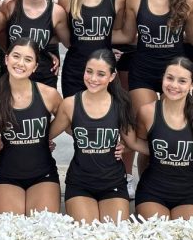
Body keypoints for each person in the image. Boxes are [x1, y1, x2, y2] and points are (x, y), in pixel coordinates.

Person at [49, 49, 136, 223]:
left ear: (112, 76)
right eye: (89, 71)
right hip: (81, 184)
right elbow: (47, 134)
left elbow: (132, 141)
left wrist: (124, 147)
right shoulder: (70, 104)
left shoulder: (121, 104)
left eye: (101, 74)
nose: (93, 78)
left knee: (113, 237)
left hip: (114, 183)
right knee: (87, 235)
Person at [0, 38, 63, 215]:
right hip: (7, 176)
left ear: (35, 66)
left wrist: (115, 145)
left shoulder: (49, 95)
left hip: (44, 175)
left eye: (28, 59)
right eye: (16, 56)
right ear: (6, 59)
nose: (20, 63)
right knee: (10, 233)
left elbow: (74, 125)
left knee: (42, 232)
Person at [120, 0, 193, 115]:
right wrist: (90, 39)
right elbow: (127, 35)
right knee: (144, 122)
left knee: (168, 123)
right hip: (143, 70)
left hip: (175, 71)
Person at [124, 57, 193, 220]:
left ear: (192, 85)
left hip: (188, 192)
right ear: (162, 78)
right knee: (159, 233)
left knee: (182, 236)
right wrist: (126, 145)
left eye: (182, 81)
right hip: (152, 191)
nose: (174, 85)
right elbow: (142, 143)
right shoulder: (147, 112)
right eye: (169, 78)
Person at [59, 0, 125, 98]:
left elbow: (115, 32)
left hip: (104, 71)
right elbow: (67, 39)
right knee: (75, 117)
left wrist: (105, 45)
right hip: (74, 70)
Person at [0, 0, 69, 89]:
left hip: (43, 77)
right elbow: (1, 35)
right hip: (13, 75)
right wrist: (9, 54)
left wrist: (46, 51)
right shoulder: (10, 6)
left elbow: (67, 42)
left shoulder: (56, 12)